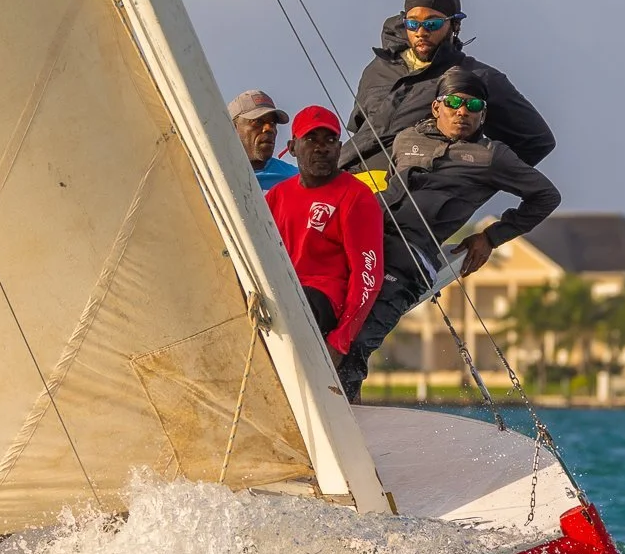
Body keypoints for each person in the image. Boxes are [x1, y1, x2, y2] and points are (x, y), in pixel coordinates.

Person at [337, 67, 561, 402]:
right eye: (454, 102)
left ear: (483, 114)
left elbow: (546, 196)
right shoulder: (407, 139)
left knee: (357, 343)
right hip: (362, 241)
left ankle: (344, 423)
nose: (462, 111)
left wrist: (491, 236)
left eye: (472, 106)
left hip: (407, 260)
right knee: (324, 323)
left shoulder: (492, 156)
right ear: (436, 107)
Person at [340, 0, 555, 177]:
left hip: (415, 200)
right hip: (352, 185)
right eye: (413, 24)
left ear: (455, 26)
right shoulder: (377, 69)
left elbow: (536, 141)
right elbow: (359, 129)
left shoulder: (478, 76)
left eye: (432, 24)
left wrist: (473, 183)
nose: (421, 32)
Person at [264, 105, 383, 363]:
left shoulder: (357, 197)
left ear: (339, 148)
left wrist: (341, 339)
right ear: (293, 146)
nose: (322, 147)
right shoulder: (277, 195)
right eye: (311, 139)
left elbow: (368, 277)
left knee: (299, 301)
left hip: (321, 301)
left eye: (330, 140)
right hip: (281, 296)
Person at [228, 89, 297, 189]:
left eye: (273, 123)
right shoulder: (212, 174)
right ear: (233, 128)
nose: (269, 129)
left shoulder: (295, 180)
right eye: (258, 121)